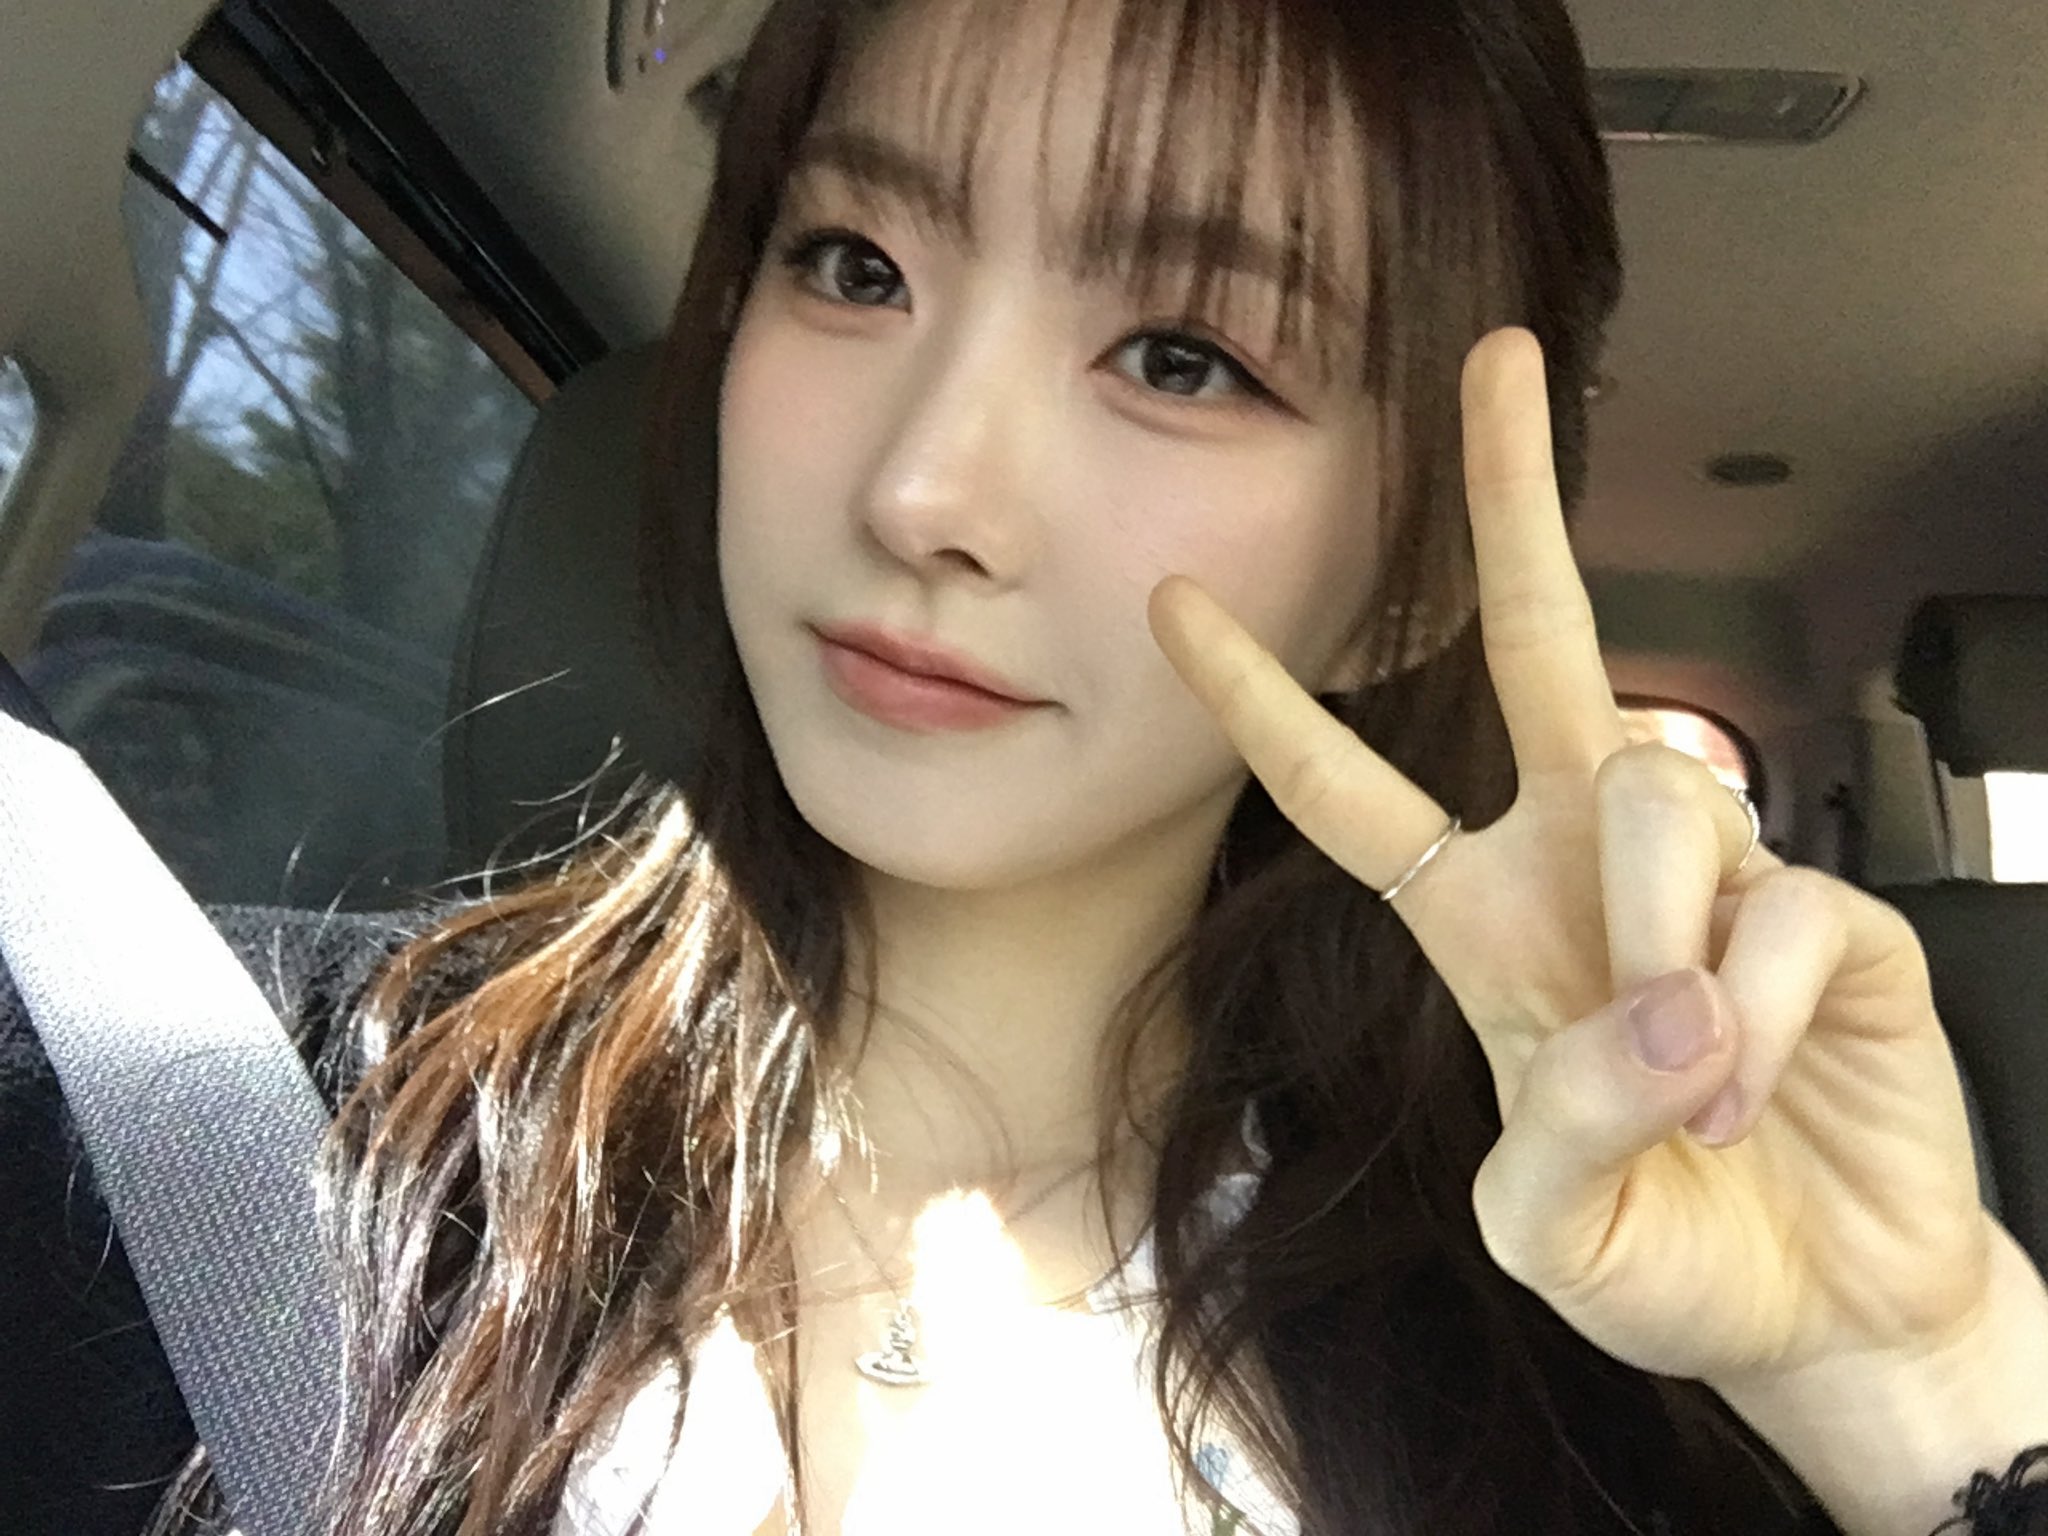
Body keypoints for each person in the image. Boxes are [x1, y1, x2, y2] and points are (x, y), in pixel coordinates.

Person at [6, 0, 2048, 1533]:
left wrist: (1920, 1381)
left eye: (1183, 358)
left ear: (1410, 582)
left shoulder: (1598, 1354)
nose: (924, 490)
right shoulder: (171, 1134)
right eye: (853, 264)